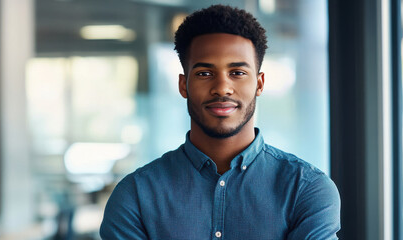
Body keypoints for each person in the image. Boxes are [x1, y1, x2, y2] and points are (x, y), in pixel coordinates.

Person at [100, 5, 340, 240]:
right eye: (205, 74)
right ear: (184, 85)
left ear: (259, 84)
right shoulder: (136, 196)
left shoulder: (306, 189)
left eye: (237, 73)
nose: (222, 88)